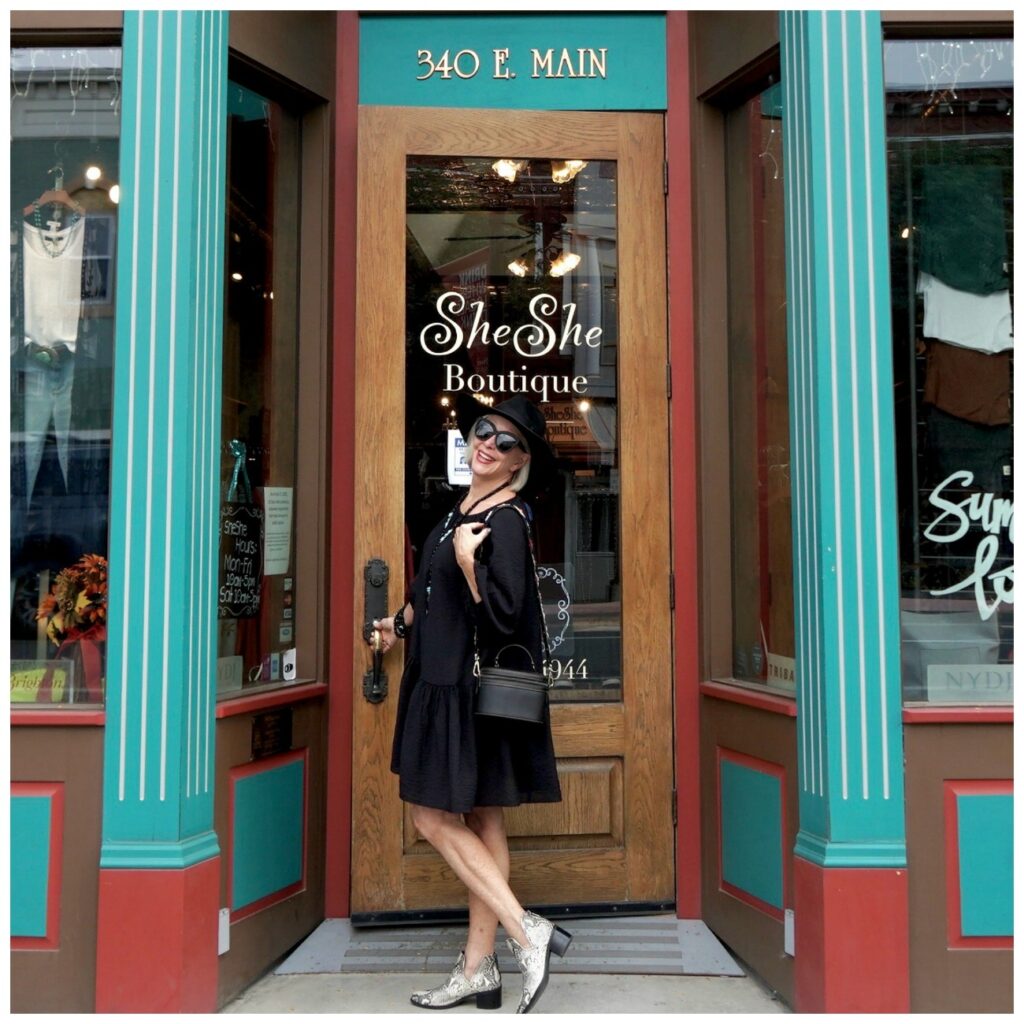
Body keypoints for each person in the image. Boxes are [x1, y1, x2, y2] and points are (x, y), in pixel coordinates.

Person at [372, 394, 571, 1014]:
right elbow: (422, 590)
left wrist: (467, 564)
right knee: (484, 819)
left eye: (507, 442)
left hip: (465, 690)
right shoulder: (462, 504)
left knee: (431, 818)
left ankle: (526, 929)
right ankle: (477, 971)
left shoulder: (506, 520)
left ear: (520, 463)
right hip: (439, 677)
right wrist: (396, 627)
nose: (489, 443)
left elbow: (508, 613)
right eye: (484, 430)